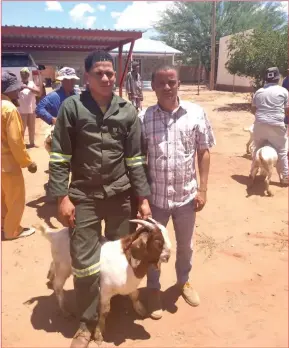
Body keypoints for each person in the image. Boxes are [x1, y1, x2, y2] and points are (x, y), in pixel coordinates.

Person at [49, 50, 151, 348]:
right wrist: (61, 197)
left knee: (124, 255)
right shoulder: (72, 108)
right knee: (85, 263)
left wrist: (142, 198)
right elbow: (59, 158)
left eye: (110, 73)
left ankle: (114, 308)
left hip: (120, 197)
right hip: (84, 198)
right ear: (87, 77)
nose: (106, 78)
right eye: (99, 73)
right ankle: (86, 324)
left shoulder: (127, 110)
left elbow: (134, 159)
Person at [139, 65, 216, 320]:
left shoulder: (196, 113)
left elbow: (203, 151)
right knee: (153, 248)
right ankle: (153, 289)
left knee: (185, 246)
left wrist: (203, 189)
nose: (167, 87)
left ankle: (183, 281)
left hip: (186, 197)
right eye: (161, 83)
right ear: (153, 87)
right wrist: (142, 198)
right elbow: (138, 160)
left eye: (171, 82)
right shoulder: (144, 118)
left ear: (179, 83)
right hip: (156, 200)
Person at [1, 71, 38, 240]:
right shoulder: (8, 109)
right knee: (16, 199)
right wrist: (27, 162)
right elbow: (15, 141)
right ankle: (12, 230)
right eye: (15, 90)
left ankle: (3, 225)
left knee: (2, 198)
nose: (17, 93)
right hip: (8, 164)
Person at [35, 67, 79, 199]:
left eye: (73, 81)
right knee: (58, 163)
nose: (71, 83)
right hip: (58, 135)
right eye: (69, 80)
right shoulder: (54, 96)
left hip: (74, 135)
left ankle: (71, 191)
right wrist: (51, 119)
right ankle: (53, 191)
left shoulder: (76, 96)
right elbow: (39, 109)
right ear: (63, 81)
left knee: (75, 163)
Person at [251, 67, 288, 185]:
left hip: (260, 125)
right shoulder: (283, 92)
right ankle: (285, 177)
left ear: (266, 79)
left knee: (257, 148)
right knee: (281, 151)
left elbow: (253, 109)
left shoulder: (259, 92)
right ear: (278, 78)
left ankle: (252, 172)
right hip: (277, 125)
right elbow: (287, 111)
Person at [18, 67, 40, 148]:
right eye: (23, 74)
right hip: (21, 110)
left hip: (31, 110)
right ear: (21, 75)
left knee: (32, 128)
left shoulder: (31, 83)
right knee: (21, 129)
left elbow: (38, 92)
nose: (24, 75)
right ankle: (20, 144)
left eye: (26, 74)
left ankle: (32, 143)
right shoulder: (18, 84)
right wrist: (19, 89)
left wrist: (27, 87)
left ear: (28, 75)